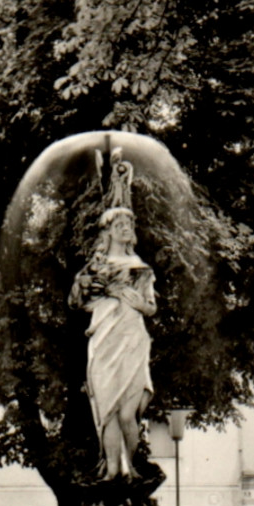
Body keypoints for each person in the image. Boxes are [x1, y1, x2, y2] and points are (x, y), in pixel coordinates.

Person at [71, 155, 155, 480]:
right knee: (106, 411)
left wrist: (137, 302)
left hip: (132, 337)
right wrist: (86, 286)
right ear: (108, 231)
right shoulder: (95, 267)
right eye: (119, 225)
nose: (126, 229)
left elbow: (150, 307)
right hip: (104, 337)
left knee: (126, 413)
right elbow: (76, 301)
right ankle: (110, 471)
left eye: (129, 225)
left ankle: (129, 467)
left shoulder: (141, 268)